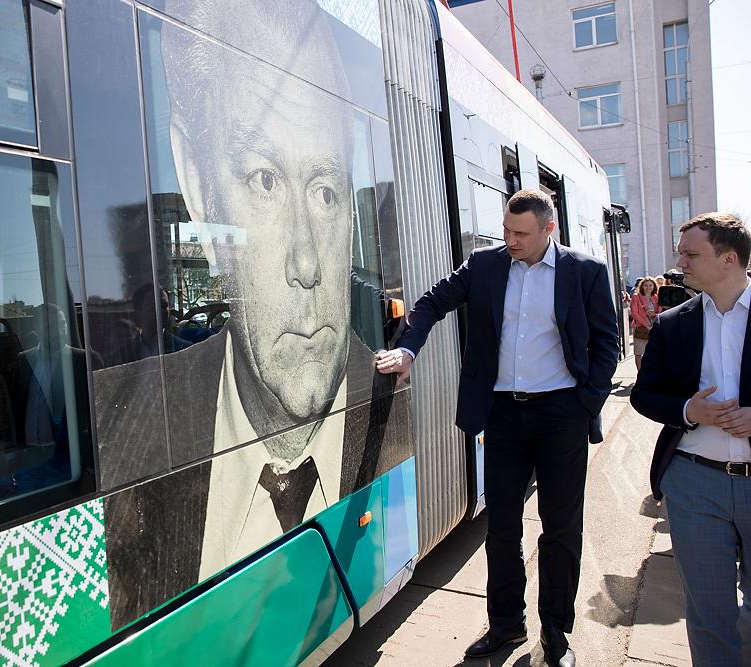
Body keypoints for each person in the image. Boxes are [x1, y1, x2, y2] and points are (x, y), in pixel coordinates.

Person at [93, 0, 411, 629]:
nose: (307, 263)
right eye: (264, 180)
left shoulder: (393, 401)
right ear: (198, 187)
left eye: (326, 192)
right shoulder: (118, 426)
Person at [376, 188, 619, 667]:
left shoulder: (585, 271)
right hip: (504, 415)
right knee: (502, 527)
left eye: (521, 233)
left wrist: (585, 402)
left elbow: (606, 343)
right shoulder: (485, 265)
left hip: (561, 414)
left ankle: (556, 633)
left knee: (561, 529)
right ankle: (507, 624)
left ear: (549, 229)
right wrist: (408, 350)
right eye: (506, 230)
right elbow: (432, 302)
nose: (511, 240)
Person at [631, 212, 751, 665]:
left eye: (690, 254)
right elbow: (644, 395)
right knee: (707, 614)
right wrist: (688, 411)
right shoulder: (672, 323)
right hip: (694, 483)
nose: (680, 263)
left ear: (729, 258)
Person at [630, 277, 660, 370]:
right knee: (639, 352)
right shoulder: (636, 297)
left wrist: (654, 314)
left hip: (654, 327)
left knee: (653, 352)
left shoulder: (656, 297)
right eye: (645, 285)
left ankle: (650, 372)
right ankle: (640, 373)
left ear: (654, 286)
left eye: (650, 285)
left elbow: (660, 311)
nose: (648, 287)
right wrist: (646, 325)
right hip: (640, 327)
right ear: (642, 286)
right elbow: (635, 313)